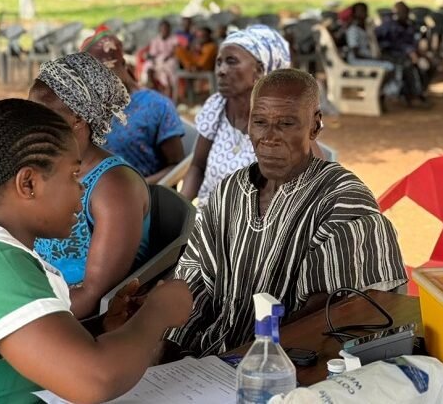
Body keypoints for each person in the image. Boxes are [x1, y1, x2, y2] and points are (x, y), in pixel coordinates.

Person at [163, 69, 407, 357]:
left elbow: (331, 315)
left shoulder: (342, 200)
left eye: (286, 123)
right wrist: (167, 342)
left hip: (290, 365)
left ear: (314, 127)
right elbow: (194, 276)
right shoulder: (228, 192)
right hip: (210, 358)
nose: (268, 138)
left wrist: (252, 361)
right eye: (260, 122)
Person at [0, 98, 192, 403]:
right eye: (73, 175)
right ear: (28, 183)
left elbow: (29, 346)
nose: (82, 188)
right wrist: (157, 313)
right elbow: (95, 380)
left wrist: (103, 328)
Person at [29, 52, 151, 319]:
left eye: (43, 113)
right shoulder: (43, 166)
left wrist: (19, 320)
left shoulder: (114, 186)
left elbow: (93, 295)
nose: (30, 123)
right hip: (33, 298)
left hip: (73, 321)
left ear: (78, 118)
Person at [180, 24, 322, 210]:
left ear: (259, 71)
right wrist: (178, 211)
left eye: (231, 61)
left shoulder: (288, 122)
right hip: (207, 218)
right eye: (219, 62)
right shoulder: (216, 107)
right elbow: (197, 167)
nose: (220, 71)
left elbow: (318, 185)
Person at [81, 29, 185, 184]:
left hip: (146, 199)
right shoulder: (84, 112)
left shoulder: (156, 105)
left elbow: (177, 166)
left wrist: (137, 189)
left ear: (123, 65)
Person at [375, 1, 431, 104]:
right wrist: (409, 51)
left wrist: (416, 52)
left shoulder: (409, 25)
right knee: (408, 65)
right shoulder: (388, 25)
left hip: (409, 54)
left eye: (405, 12)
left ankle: (419, 91)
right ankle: (415, 93)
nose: (403, 15)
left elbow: (413, 42)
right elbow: (384, 42)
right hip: (392, 54)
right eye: (400, 12)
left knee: (429, 64)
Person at [346, 2, 401, 102]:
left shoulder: (367, 28)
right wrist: (375, 59)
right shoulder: (353, 30)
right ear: (355, 14)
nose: (364, 13)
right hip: (357, 60)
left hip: (367, 58)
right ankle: (378, 92)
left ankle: (384, 92)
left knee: (392, 63)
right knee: (388, 67)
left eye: (365, 10)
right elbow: (356, 54)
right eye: (361, 11)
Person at [141, 19, 178, 96]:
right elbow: (153, 53)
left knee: (167, 68)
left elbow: (176, 51)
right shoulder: (156, 40)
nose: (164, 30)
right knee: (149, 66)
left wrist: (167, 57)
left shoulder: (174, 39)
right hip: (158, 59)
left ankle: (168, 91)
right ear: (160, 29)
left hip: (170, 60)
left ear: (169, 29)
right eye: (163, 28)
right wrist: (151, 58)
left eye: (166, 28)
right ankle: (151, 87)